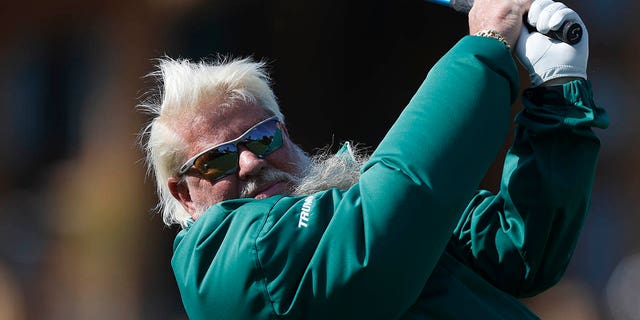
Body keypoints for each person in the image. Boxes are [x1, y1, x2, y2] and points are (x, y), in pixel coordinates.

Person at [140, 0, 608, 318]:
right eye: (216, 160)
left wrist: (558, 89)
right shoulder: (221, 258)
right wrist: (485, 45)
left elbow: (519, 250)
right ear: (184, 193)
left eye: (261, 138)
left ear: (285, 133)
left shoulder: (343, 201)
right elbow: (378, 227)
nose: (248, 163)